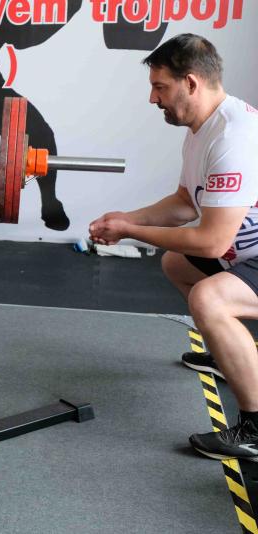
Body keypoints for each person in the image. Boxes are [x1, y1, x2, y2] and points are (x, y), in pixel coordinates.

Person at [89, 34, 258, 461]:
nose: (153, 98)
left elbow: (213, 241)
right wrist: (126, 217)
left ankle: (256, 429)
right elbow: (185, 203)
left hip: (250, 254)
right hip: (247, 253)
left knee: (209, 299)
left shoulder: (234, 137)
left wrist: (129, 231)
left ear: (191, 83)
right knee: (177, 264)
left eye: (160, 87)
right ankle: (229, 354)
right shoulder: (204, 129)